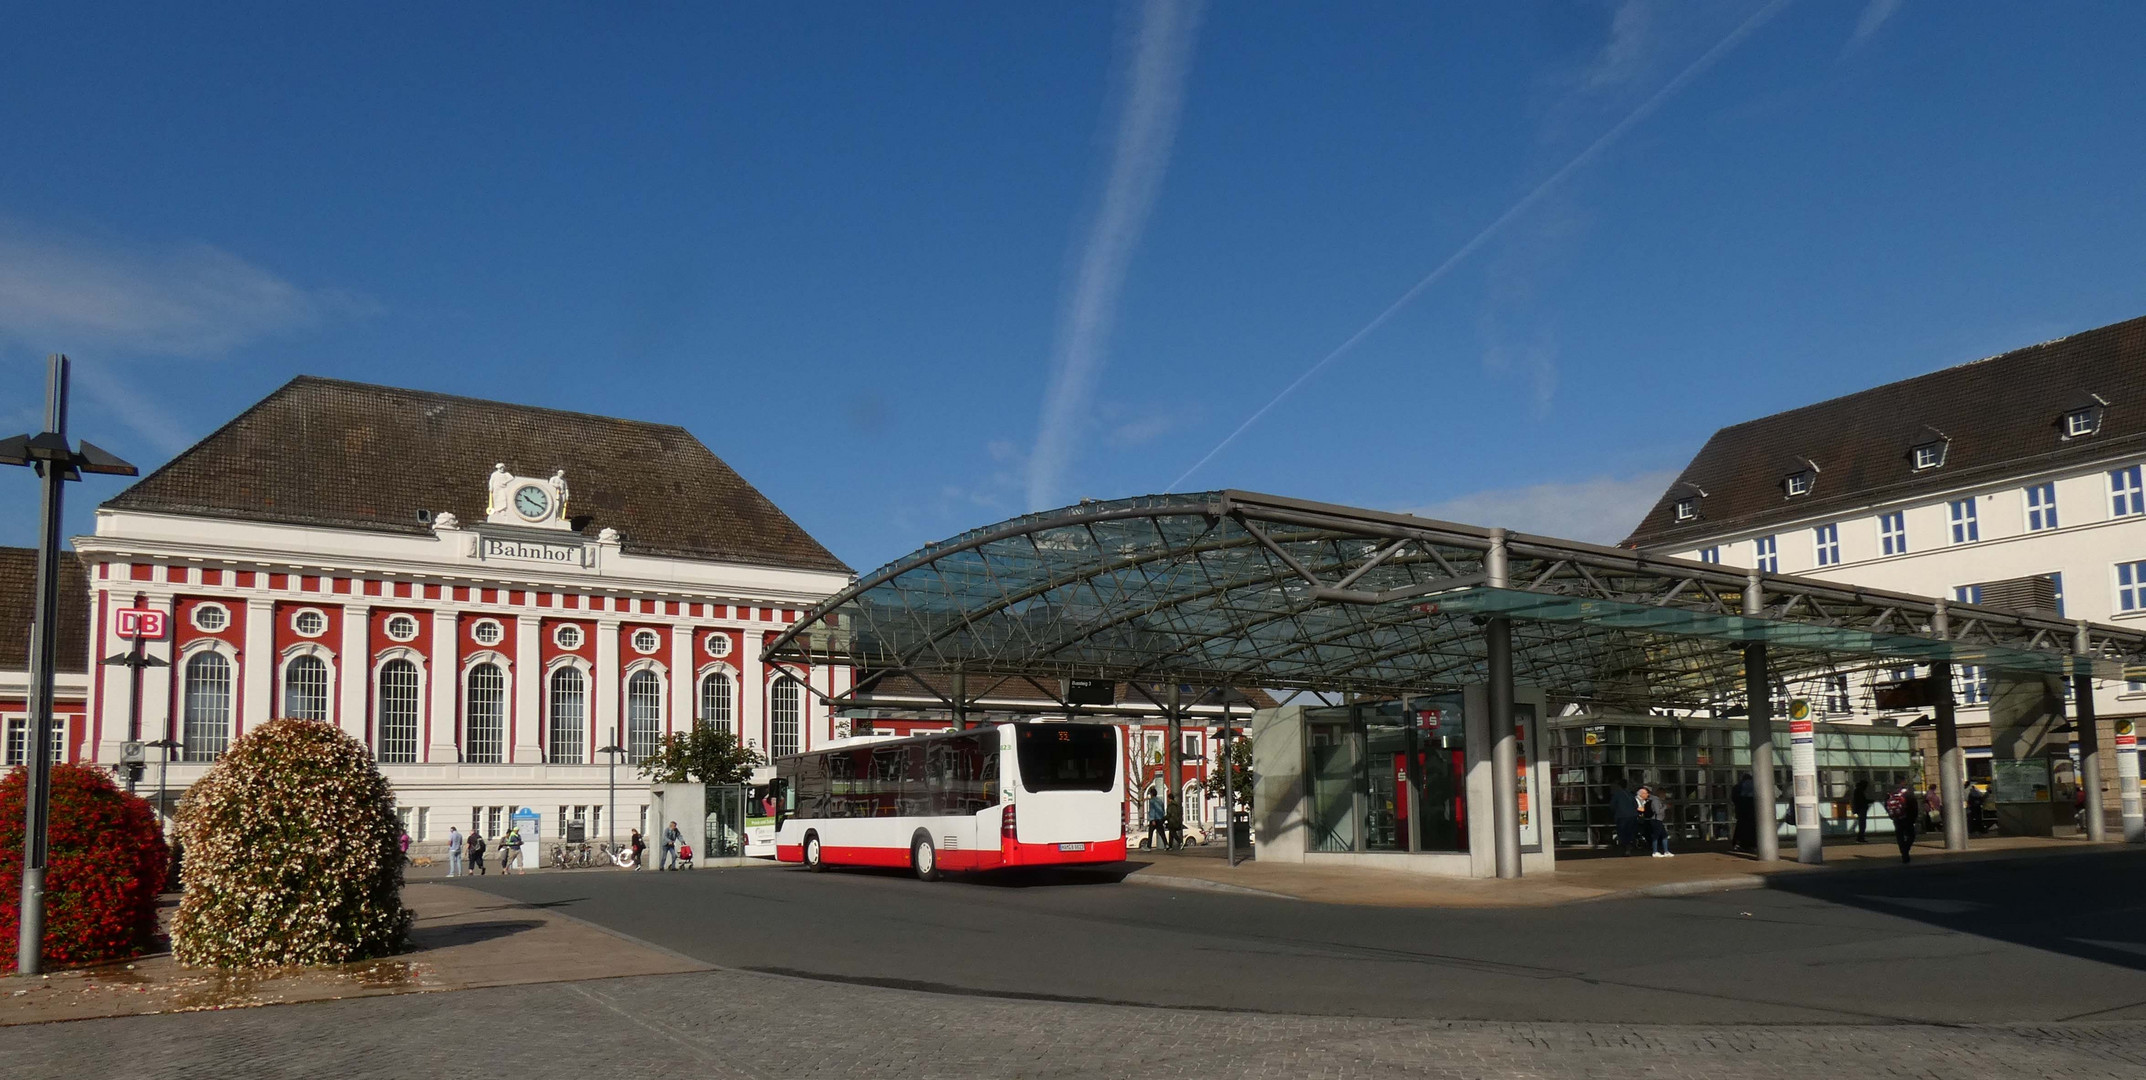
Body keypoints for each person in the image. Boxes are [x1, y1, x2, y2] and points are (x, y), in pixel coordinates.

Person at [1886, 782, 1919, 863]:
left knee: (1899, 836)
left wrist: (1892, 815)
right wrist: (1914, 818)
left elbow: (1887, 805)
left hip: (1896, 818)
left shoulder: (1891, 794)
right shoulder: (1908, 794)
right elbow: (1914, 806)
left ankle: (1903, 852)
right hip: (1907, 818)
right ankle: (1905, 850)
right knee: (1911, 835)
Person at [1611, 778, 1640, 856]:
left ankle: (1627, 848)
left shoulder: (1617, 795)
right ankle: (1630, 845)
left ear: (1618, 786)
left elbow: (1613, 806)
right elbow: (1636, 805)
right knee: (1630, 832)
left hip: (1622, 816)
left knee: (1622, 833)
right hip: (1632, 816)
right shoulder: (1630, 794)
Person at [1731, 773, 1757, 854]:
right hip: (1752, 810)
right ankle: (1750, 844)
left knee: (1741, 826)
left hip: (1741, 810)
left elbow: (1734, 798)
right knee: (1752, 827)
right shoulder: (1755, 786)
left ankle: (1738, 843)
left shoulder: (1737, 786)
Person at [1647, 788, 1674, 857]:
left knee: (1664, 835)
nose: (1665, 795)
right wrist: (1665, 807)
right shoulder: (1656, 801)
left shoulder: (1658, 800)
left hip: (1659, 820)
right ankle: (1655, 851)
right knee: (1656, 836)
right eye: (1664, 794)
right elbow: (1657, 811)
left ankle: (1666, 851)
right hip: (1656, 820)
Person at [1852, 779, 1871, 844]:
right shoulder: (1859, 791)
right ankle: (1860, 838)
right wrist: (1870, 801)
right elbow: (1862, 801)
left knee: (1862, 824)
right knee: (1862, 824)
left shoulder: (1857, 790)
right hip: (1861, 809)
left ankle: (1860, 837)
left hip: (1859, 809)